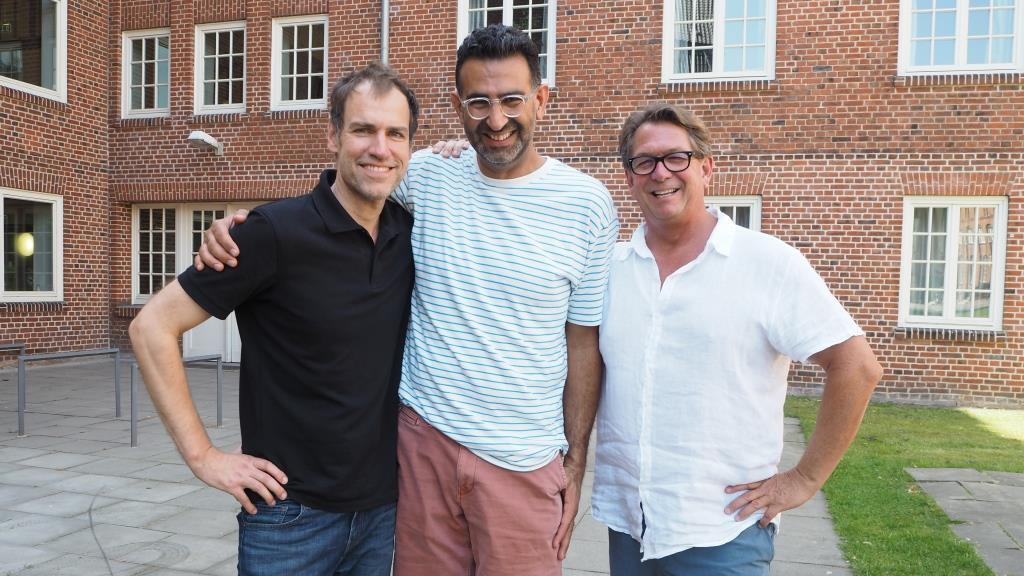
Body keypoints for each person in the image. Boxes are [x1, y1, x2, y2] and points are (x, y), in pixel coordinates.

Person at [195, 25, 619, 576]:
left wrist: (575, 461)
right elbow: (340, 196)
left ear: (541, 98)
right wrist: (239, 226)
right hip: (422, 452)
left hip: (524, 460)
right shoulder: (426, 173)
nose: (495, 120)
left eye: (512, 99)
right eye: (479, 103)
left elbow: (582, 340)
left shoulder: (588, 204)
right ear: (457, 106)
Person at [129, 63, 419, 576]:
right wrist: (202, 456)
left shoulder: (410, 233)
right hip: (289, 516)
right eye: (363, 130)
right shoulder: (271, 233)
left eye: (395, 133)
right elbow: (152, 327)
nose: (380, 148)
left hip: (381, 512)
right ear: (332, 135)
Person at [592, 103, 883, 575]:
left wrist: (804, 479)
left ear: (707, 167)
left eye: (676, 158)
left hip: (724, 531)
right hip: (631, 526)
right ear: (629, 177)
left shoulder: (765, 263)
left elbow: (858, 367)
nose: (660, 172)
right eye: (644, 161)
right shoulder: (612, 270)